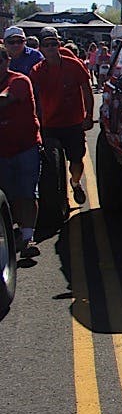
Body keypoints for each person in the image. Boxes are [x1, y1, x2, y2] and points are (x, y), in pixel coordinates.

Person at [30, 27, 94, 206]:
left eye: (53, 44)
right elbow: (32, 96)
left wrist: (89, 115)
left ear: (59, 45)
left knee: (76, 160)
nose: (50, 47)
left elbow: (86, 89)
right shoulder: (37, 70)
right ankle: (58, 197)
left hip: (73, 122)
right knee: (52, 163)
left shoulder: (74, 65)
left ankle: (75, 183)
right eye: (46, 45)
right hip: (49, 124)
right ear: (41, 48)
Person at [0, 47, 42, 257]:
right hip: (2, 150)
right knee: (8, 195)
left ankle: (27, 237)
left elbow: (5, 99)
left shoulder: (19, 80)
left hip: (26, 147)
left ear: (7, 61)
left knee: (26, 192)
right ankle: (15, 233)